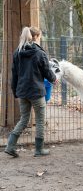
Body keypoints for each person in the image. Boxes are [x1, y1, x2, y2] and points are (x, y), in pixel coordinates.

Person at [4, 26, 57, 158]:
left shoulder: (17, 52)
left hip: (22, 91)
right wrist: (54, 79)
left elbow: (14, 75)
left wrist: (15, 91)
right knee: (40, 120)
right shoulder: (39, 53)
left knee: (24, 119)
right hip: (36, 91)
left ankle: (10, 146)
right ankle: (39, 150)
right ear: (36, 37)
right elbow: (46, 71)